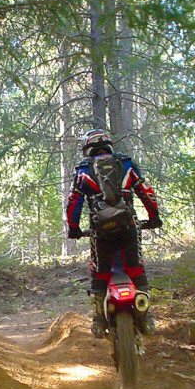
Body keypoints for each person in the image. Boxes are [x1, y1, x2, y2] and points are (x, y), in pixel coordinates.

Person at [65, 127, 162, 337]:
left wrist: (74, 228)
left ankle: (99, 319)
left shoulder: (83, 170)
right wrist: (154, 217)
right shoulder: (125, 164)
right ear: (108, 144)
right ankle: (146, 316)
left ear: (87, 149)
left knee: (100, 272)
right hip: (129, 227)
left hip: (101, 231)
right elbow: (146, 192)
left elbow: (74, 202)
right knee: (135, 267)